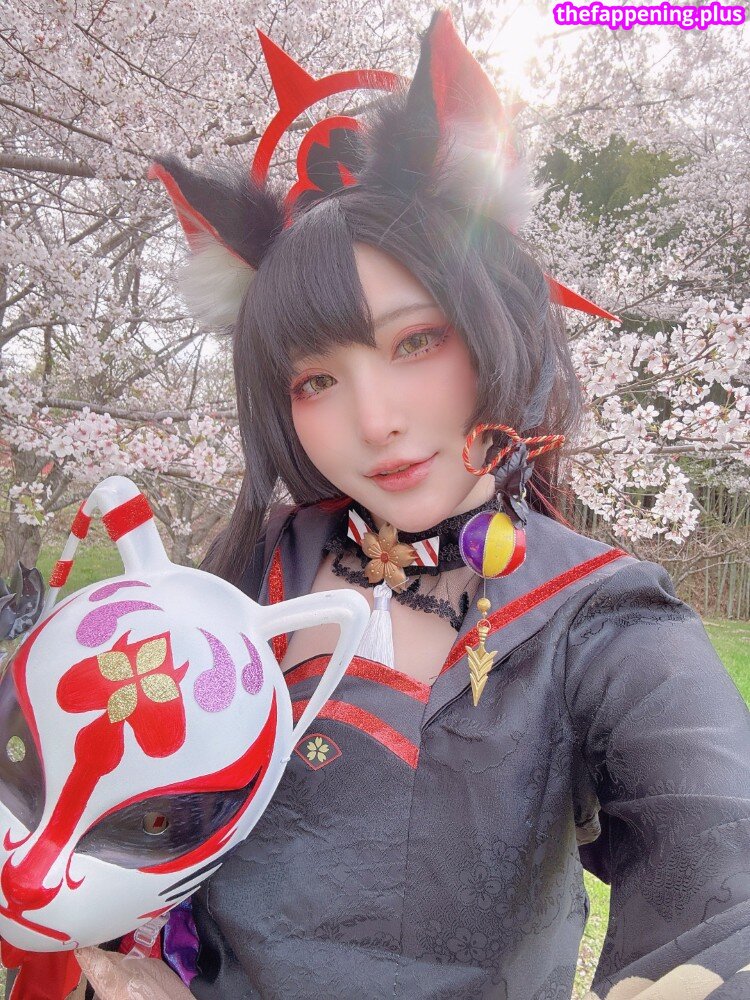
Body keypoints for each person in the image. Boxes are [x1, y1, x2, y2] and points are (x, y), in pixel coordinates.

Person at [5, 8, 746, 1000]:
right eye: (315, 380)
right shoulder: (256, 565)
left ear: (497, 324)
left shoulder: (603, 619)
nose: (376, 422)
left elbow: (721, 865)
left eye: (416, 342)